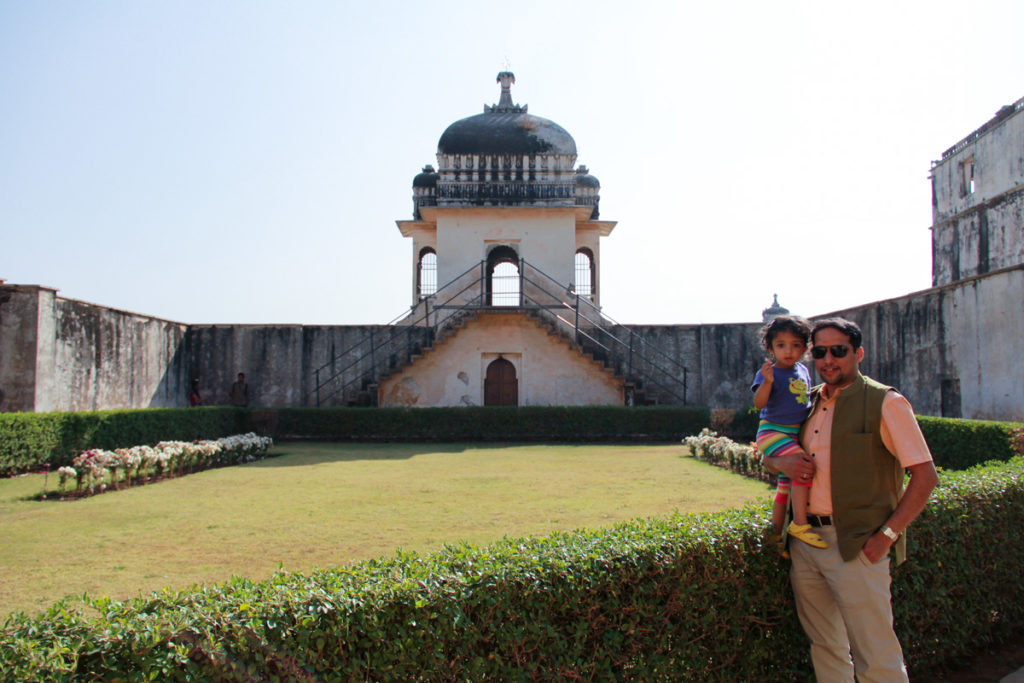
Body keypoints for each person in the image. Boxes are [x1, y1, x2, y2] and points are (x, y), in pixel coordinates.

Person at [764, 317, 938, 682]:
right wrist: (780, 460)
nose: (829, 359)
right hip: (807, 543)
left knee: (876, 656)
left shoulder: (885, 402)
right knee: (826, 648)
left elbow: (925, 476)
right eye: (820, 352)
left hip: (857, 544)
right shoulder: (807, 403)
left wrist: (886, 536)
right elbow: (771, 455)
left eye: (838, 351)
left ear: (858, 353)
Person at [751, 315, 826, 550]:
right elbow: (759, 404)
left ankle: (776, 536)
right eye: (781, 345)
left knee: (784, 488)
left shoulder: (803, 371)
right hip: (773, 432)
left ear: (805, 348)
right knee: (803, 468)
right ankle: (800, 524)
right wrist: (767, 383)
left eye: (795, 345)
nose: (788, 351)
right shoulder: (769, 373)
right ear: (771, 348)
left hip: (792, 434)